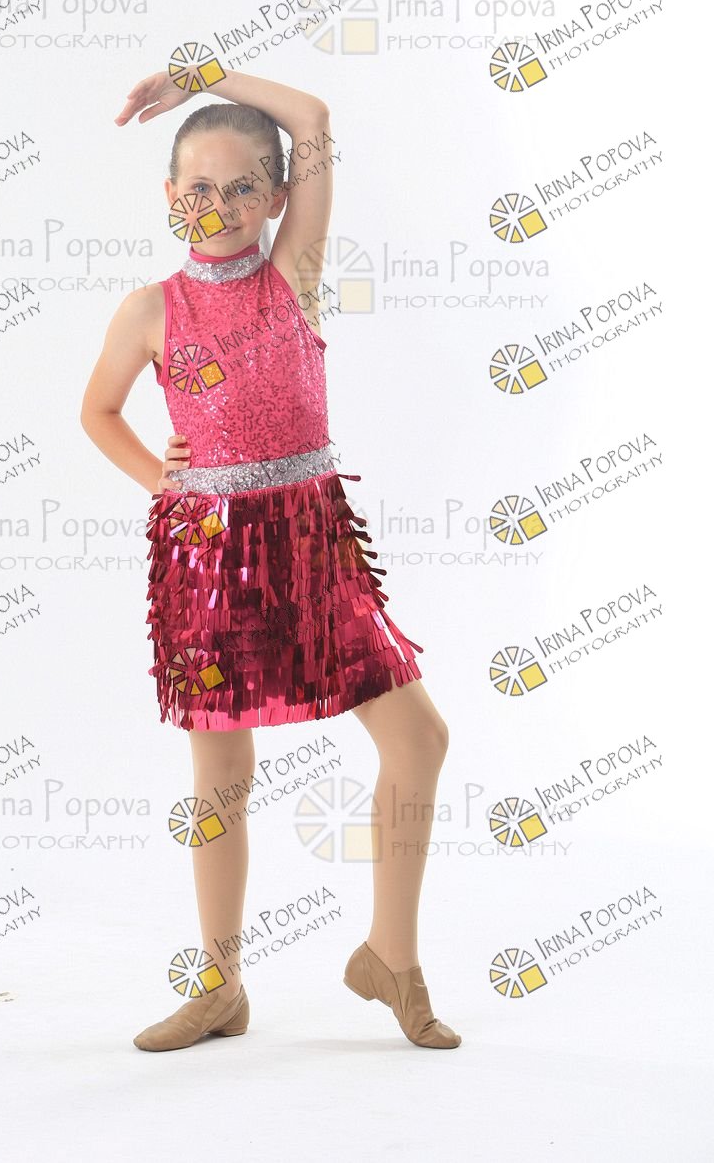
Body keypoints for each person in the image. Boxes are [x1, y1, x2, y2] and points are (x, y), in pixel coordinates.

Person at [80, 63, 460, 1053]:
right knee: (219, 775)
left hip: (312, 541)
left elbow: (314, 116)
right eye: (200, 188)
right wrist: (160, 480)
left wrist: (202, 73)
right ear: (169, 195)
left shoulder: (291, 275)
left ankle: (390, 955)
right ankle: (219, 985)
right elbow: (99, 411)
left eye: (244, 186)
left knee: (418, 737)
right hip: (206, 557)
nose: (219, 205)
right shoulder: (149, 310)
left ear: (279, 198)